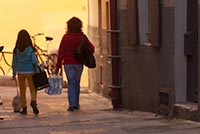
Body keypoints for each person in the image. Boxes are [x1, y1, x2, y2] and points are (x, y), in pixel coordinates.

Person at [55, 17, 95, 111]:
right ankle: (76, 103)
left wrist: (58, 66)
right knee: (76, 82)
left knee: (71, 83)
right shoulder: (82, 37)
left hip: (68, 63)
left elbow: (61, 52)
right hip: (79, 63)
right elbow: (92, 48)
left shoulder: (66, 37)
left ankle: (72, 104)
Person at [11, 29, 39, 115]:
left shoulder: (16, 50)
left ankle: (24, 108)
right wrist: (36, 69)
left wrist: (14, 72)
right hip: (30, 70)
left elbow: (14, 62)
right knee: (33, 88)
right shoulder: (30, 49)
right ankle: (33, 101)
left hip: (20, 71)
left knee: (22, 90)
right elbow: (34, 61)